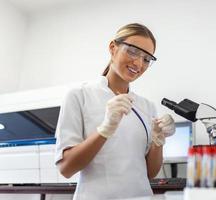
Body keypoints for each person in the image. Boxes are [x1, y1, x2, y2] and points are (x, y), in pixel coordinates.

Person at [55, 23, 176, 200]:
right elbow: (66, 168)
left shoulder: (147, 106)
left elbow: (149, 174)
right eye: (133, 51)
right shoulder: (79, 95)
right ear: (113, 48)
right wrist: (105, 129)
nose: (138, 63)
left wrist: (158, 142)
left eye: (146, 59)